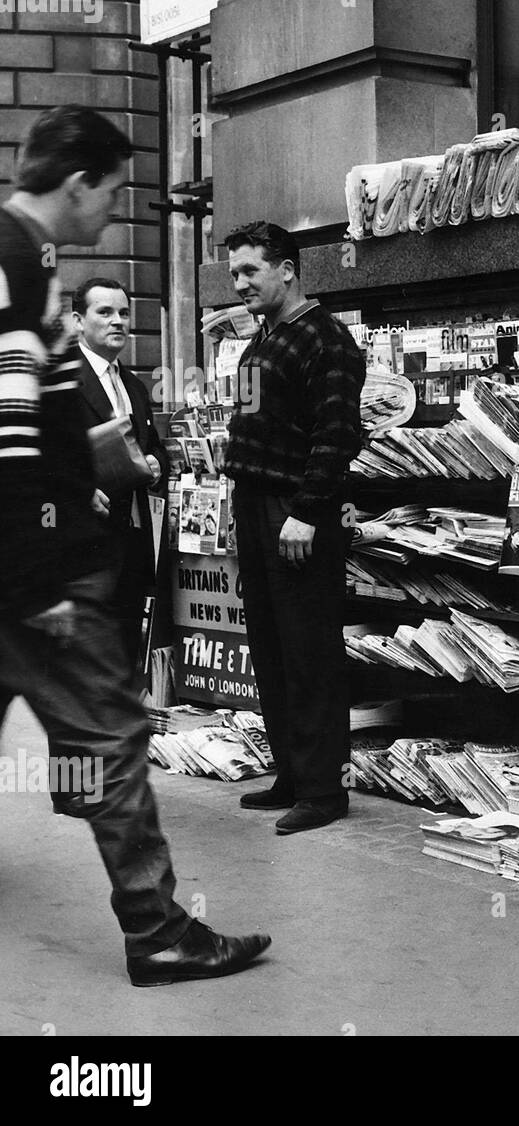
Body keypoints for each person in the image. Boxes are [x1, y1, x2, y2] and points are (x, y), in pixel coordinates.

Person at [0, 105, 270, 985]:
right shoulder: (14, 260)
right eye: (111, 194)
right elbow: (10, 431)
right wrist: (38, 565)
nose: (113, 213)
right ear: (76, 183)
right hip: (34, 572)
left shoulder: (25, 262)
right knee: (110, 739)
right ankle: (156, 930)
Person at [222, 220, 365, 834]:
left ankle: (324, 791)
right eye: (233, 274)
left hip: (295, 511)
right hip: (256, 506)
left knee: (309, 652)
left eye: (250, 270)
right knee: (272, 649)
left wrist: (306, 512)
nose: (240, 283)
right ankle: (292, 773)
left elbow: (336, 435)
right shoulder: (263, 341)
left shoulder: (325, 340)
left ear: (287, 268)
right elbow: (253, 426)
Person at [73, 277, 169, 674]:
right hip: (81, 546)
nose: (119, 322)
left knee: (125, 653)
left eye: (124, 313)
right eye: (105, 312)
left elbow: (153, 447)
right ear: (78, 320)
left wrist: (158, 464)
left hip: (131, 540)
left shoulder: (133, 384)